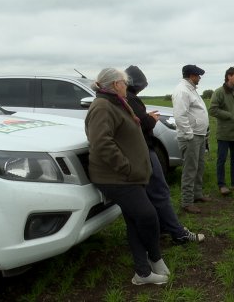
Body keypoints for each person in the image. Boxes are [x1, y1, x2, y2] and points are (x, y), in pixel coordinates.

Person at [85, 68, 169, 285]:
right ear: (115, 85)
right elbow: (102, 143)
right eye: (124, 82)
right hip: (117, 178)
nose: (126, 85)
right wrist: (127, 168)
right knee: (148, 216)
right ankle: (154, 257)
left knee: (134, 220)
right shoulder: (102, 106)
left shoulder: (116, 102)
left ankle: (142, 273)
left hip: (128, 177)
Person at [124, 65, 205, 243]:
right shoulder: (129, 99)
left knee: (152, 192)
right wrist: (150, 119)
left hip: (141, 150)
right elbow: (141, 124)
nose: (142, 88)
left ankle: (159, 227)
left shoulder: (125, 99)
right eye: (142, 85)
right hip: (144, 150)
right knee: (160, 190)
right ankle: (177, 231)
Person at [172, 64, 211, 214]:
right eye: (198, 75)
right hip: (191, 137)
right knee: (190, 169)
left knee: (199, 166)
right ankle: (187, 201)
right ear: (191, 76)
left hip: (199, 135)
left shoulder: (191, 89)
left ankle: (197, 194)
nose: (199, 78)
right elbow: (180, 115)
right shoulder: (182, 91)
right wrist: (189, 134)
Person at [209, 67, 234, 195]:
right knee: (222, 159)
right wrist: (230, 115)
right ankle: (222, 185)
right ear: (229, 76)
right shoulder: (219, 92)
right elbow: (213, 110)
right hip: (224, 133)